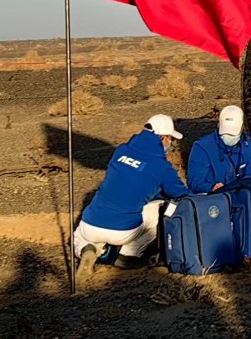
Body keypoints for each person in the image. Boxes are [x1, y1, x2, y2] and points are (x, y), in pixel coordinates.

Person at [73, 114, 189, 278]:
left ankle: (86, 248)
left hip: (91, 224)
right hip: (123, 231)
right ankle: (129, 254)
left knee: (79, 234)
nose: (171, 143)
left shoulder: (121, 150)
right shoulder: (161, 166)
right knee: (163, 210)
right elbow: (180, 193)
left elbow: (130, 179)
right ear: (162, 138)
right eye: (170, 138)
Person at [186, 105, 251, 193]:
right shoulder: (202, 147)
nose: (229, 137)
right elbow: (194, 182)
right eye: (225, 134)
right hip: (213, 199)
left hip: (241, 195)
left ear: (242, 128)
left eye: (232, 135)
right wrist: (211, 187)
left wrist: (241, 186)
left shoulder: (247, 146)